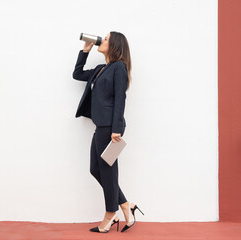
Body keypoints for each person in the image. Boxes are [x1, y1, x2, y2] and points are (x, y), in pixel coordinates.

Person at [72, 31, 144, 233]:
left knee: (107, 171)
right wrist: (84, 51)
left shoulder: (119, 67)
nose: (100, 41)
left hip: (111, 130)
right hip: (100, 127)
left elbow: (120, 99)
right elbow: (77, 74)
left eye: (105, 39)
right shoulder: (100, 69)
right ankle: (125, 205)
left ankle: (110, 214)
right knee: (97, 169)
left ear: (114, 45)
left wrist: (117, 129)